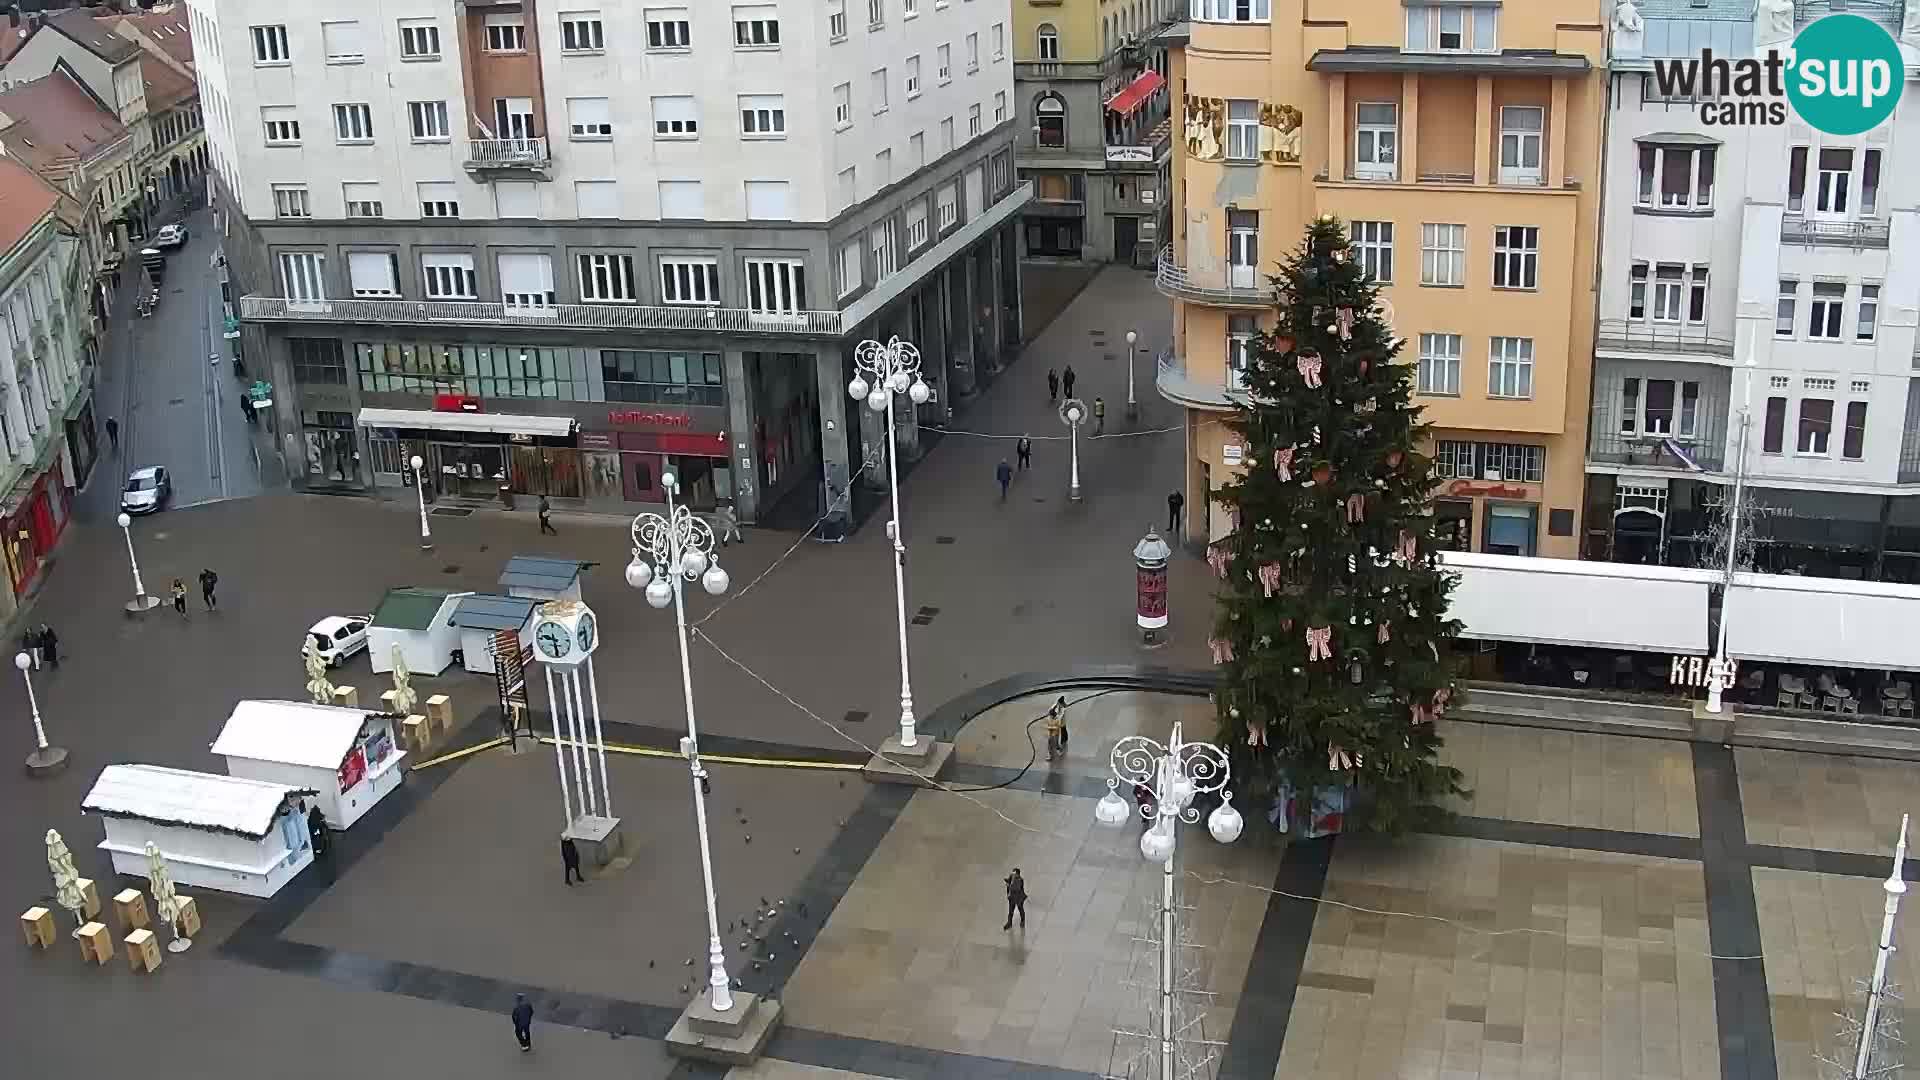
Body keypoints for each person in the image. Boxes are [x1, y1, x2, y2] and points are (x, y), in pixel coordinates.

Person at [1043, 695, 1069, 761]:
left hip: (1056, 730)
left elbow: (1059, 719)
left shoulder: (1061, 711)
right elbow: (1050, 711)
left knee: (1056, 743)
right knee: (1049, 742)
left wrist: (1052, 727)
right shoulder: (1050, 716)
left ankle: (1060, 748)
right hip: (1051, 731)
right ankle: (1050, 755)